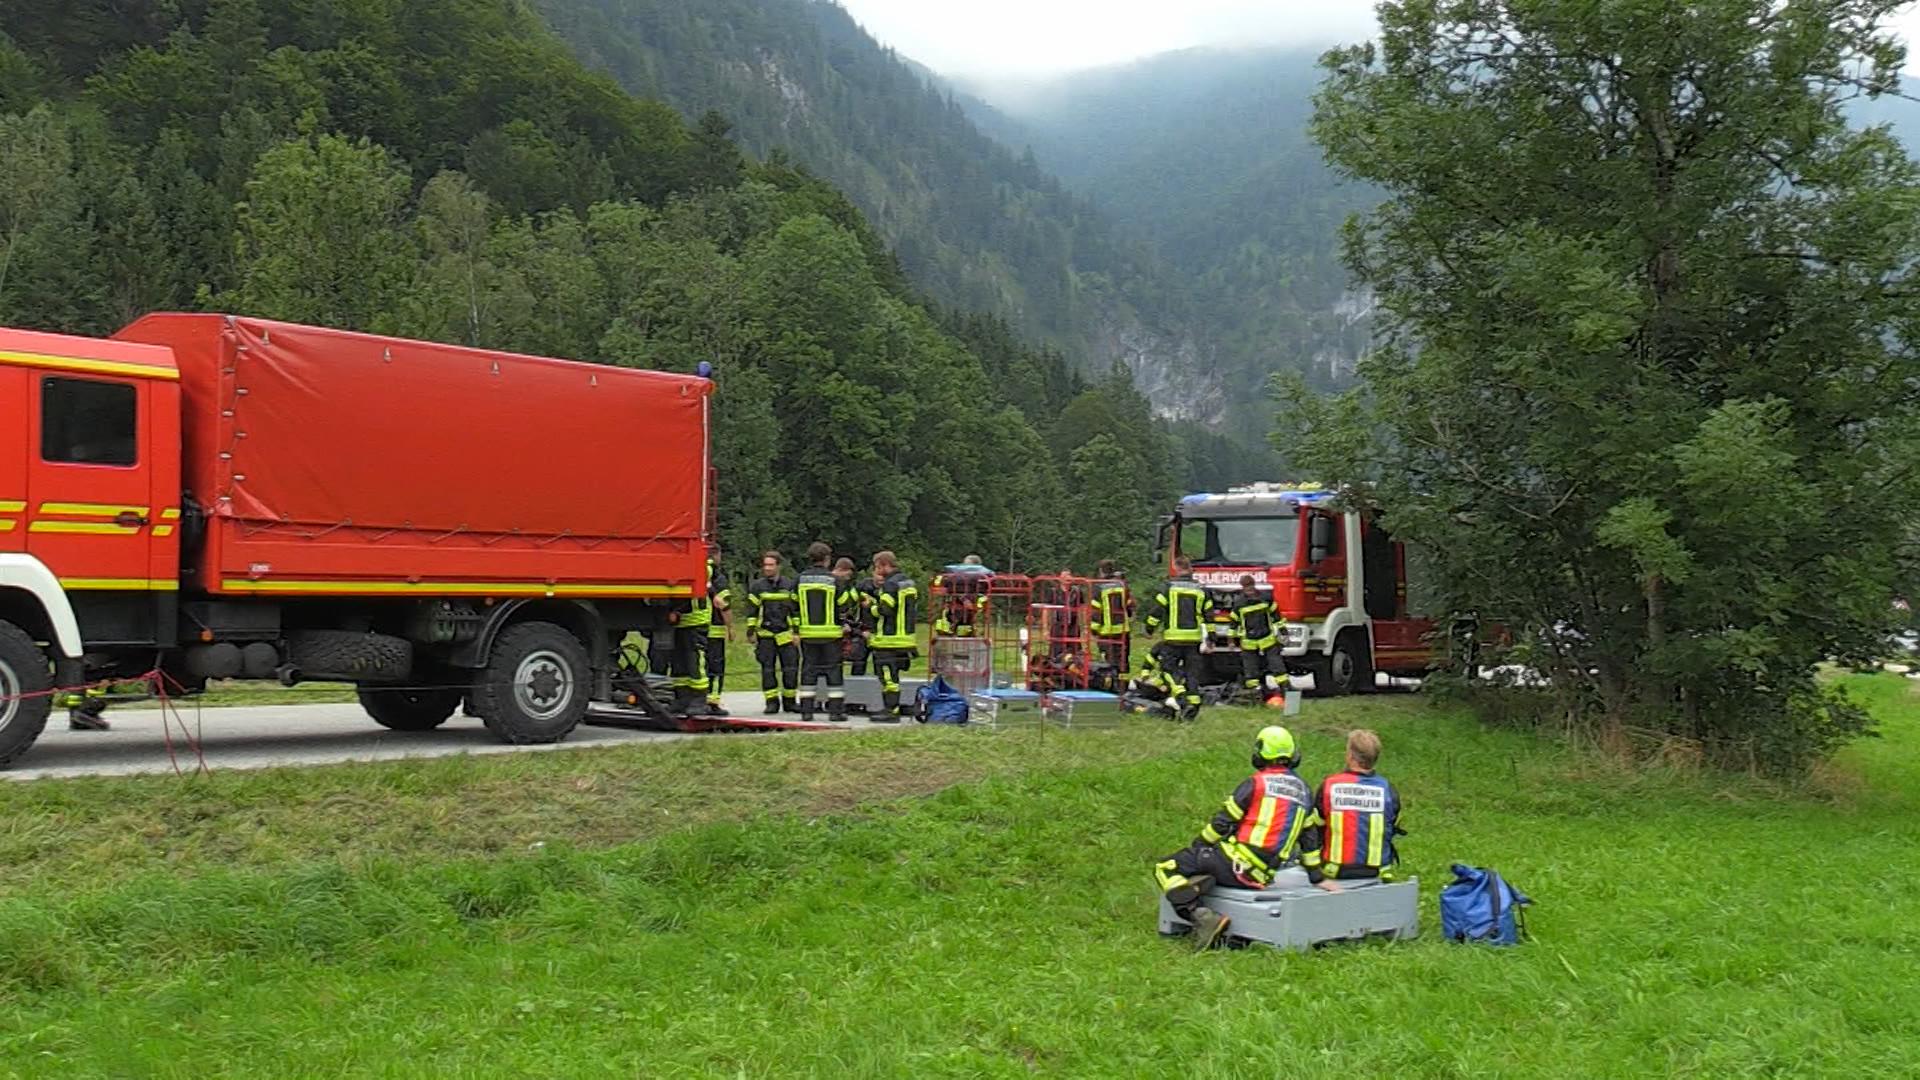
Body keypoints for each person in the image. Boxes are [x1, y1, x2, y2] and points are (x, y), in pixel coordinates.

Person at [1154, 725, 1335, 950]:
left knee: (1166, 867)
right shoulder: (1305, 792)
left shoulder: (1256, 784)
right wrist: (1318, 878)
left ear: (1260, 753)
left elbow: (1222, 823)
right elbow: (1309, 842)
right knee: (1205, 861)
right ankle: (1201, 882)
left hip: (1234, 864)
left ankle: (1201, 916)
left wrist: (1200, 847)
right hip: (1262, 876)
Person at [1316, 729, 1405, 882]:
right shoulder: (1388, 790)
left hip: (1334, 871)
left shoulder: (1329, 786)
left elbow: (1315, 827)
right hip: (1375, 872)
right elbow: (1391, 826)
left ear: (1350, 755)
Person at [794, 541, 854, 721]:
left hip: (807, 635)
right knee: (833, 672)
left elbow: (792, 606)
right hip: (830, 635)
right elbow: (844, 604)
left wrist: (796, 630)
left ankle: (806, 711)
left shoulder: (800, 579)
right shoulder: (834, 580)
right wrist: (843, 622)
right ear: (827, 559)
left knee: (808, 671)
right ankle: (835, 712)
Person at [1143, 556, 1206, 720]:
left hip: (1173, 639)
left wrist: (1149, 628)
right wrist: (1211, 637)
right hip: (1194, 640)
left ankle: (1182, 697)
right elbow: (1209, 614)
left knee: (1167, 669)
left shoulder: (1169, 587)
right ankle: (1193, 705)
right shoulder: (1200, 588)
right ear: (1190, 569)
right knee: (1192, 673)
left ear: (1177, 568)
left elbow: (1157, 610)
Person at [746, 550, 800, 714]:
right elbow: (752, 611)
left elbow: (796, 611)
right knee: (768, 670)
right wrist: (750, 631)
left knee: (790, 669)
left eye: (770, 565)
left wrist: (797, 632)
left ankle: (790, 702)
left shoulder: (789, 585)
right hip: (765, 635)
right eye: (765, 565)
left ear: (778, 566)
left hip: (786, 634)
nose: (767, 568)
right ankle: (771, 702)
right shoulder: (757, 586)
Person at [868, 550, 920, 723]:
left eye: (877, 567)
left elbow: (886, 610)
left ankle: (891, 710)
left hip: (889, 639)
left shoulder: (890, 585)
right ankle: (892, 708)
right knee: (894, 675)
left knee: (888, 676)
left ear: (884, 565)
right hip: (906, 637)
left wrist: (872, 607)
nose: (876, 571)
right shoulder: (909, 582)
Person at [1231, 574, 1289, 704]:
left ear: (1254, 584)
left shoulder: (1266, 598)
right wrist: (1231, 639)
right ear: (1242, 588)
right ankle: (1255, 697)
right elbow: (1233, 623)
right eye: (1246, 587)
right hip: (1248, 642)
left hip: (1267, 638)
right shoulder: (1239, 603)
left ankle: (1286, 691)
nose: (1249, 589)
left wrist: (1283, 631)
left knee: (1277, 667)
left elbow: (1276, 616)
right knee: (1251, 672)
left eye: (1250, 586)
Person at [1091, 559, 1133, 677]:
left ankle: (1111, 683)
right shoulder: (1122, 584)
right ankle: (1121, 684)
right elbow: (1129, 604)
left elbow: (1096, 610)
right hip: (1123, 629)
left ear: (1101, 571)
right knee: (1122, 659)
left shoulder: (1099, 587)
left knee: (1109, 661)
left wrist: (1094, 629)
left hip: (1106, 630)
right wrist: (1128, 615)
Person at [704, 548, 733, 715]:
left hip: (696, 629)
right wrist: (731, 628)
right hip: (714, 630)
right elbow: (724, 605)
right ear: (716, 555)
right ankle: (713, 702)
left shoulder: (697, 571)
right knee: (716, 667)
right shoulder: (718, 578)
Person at [836, 557, 874, 677]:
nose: (848, 578)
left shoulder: (852, 588)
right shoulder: (833, 585)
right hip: (837, 627)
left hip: (851, 624)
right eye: (847, 575)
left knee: (857, 657)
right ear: (841, 569)